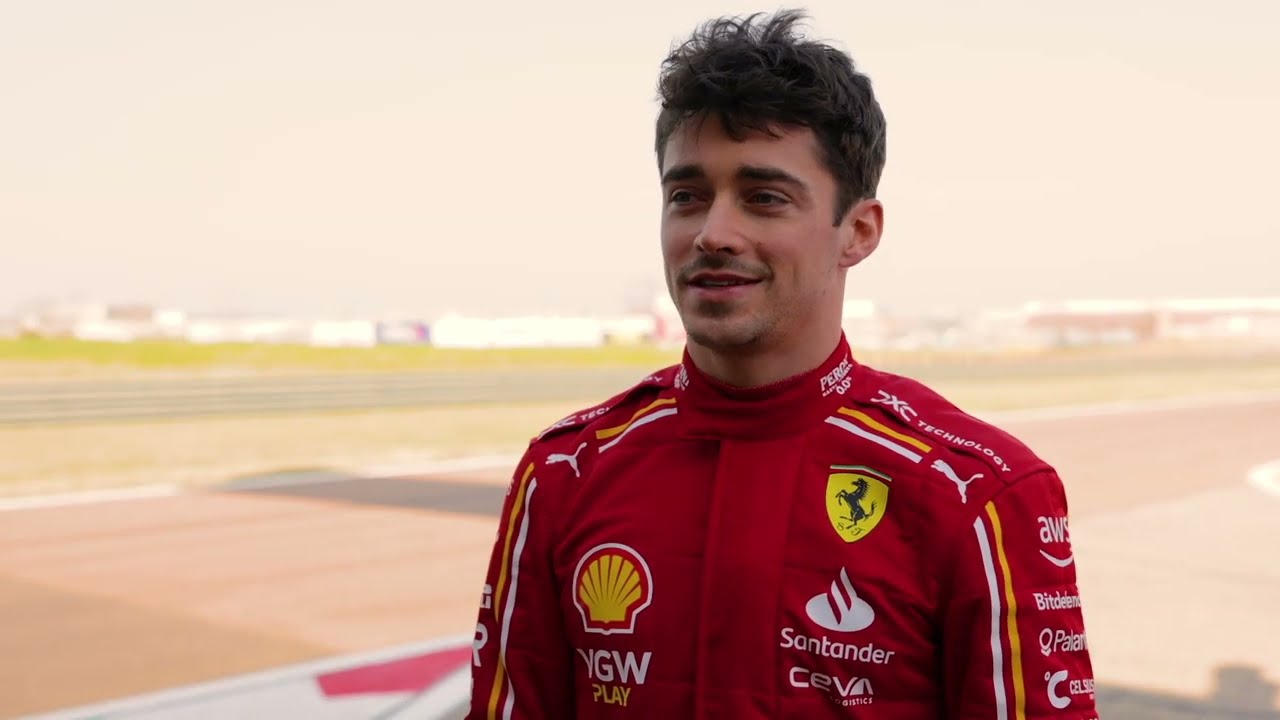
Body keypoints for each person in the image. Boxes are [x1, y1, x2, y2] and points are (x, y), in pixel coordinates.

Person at [466, 9, 1095, 719]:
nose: (713, 233)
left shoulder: (979, 493)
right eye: (686, 197)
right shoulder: (564, 473)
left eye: (764, 198)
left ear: (859, 231)